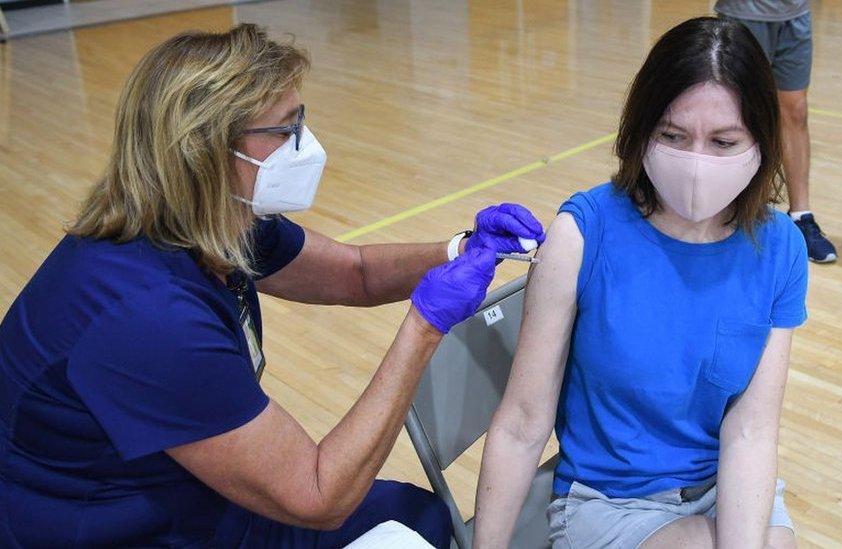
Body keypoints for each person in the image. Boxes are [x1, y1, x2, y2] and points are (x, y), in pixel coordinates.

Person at [0, 25, 545, 548]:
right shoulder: (145, 316)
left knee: (416, 515)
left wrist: (463, 248)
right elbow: (317, 494)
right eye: (286, 130)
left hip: (178, 491)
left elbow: (354, 272)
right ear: (206, 151)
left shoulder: (205, 224)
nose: (305, 145)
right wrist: (425, 325)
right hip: (117, 528)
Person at [473, 17, 807, 549]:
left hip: (721, 484)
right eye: (673, 136)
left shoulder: (780, 247)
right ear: (641, 130)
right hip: (610, 502)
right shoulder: (582, 234)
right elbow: (522, 422)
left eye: (723, 141)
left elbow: (750, 431)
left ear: (761, 142)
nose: (696, 164)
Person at [715, 0, 837, 263]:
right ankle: (735, 214)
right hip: (745, 14)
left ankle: (801, 216)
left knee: (795, 110)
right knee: (741, 112)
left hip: (795, 14)